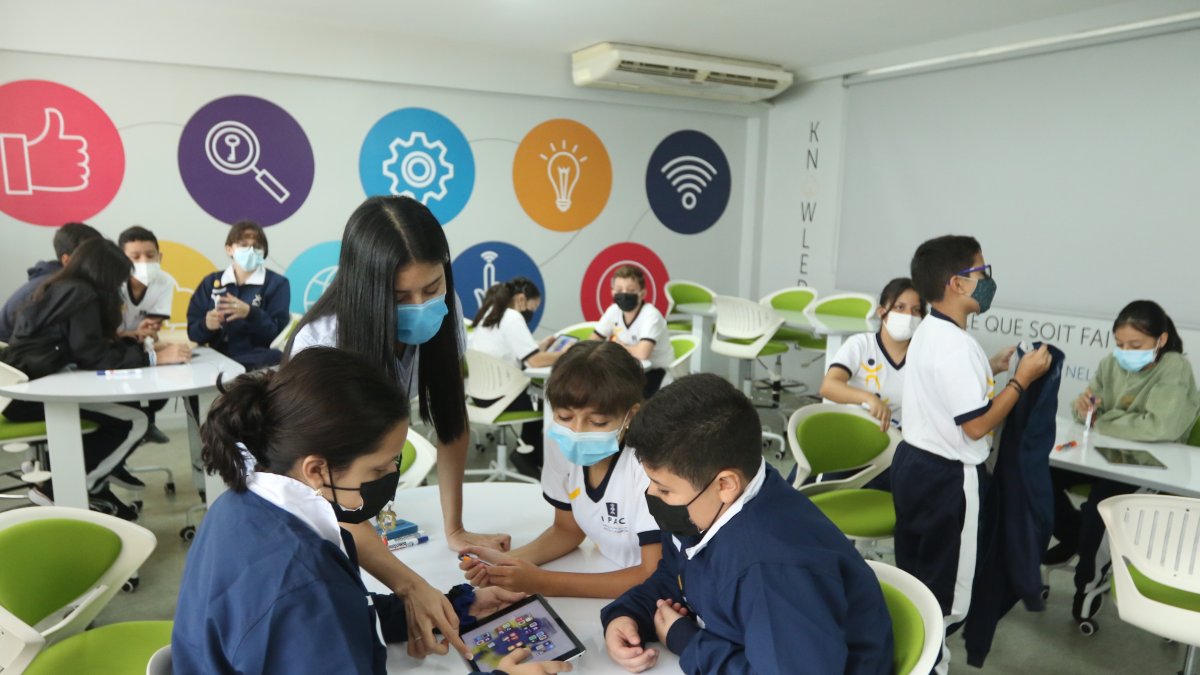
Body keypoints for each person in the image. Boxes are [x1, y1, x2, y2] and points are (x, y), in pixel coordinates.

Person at [172, 347, 568, 675]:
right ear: (315, 469)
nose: (390, 478)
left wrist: (460, 606)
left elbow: (337, 616)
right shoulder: (301, 584)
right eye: (378, 469)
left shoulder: (240, 506)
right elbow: (316, 612)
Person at [287, 195, 510, 657]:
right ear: (366, 290)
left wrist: (456, 528)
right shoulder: (324, 344)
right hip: (306, 509)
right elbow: (329, 487)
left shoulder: (442, 318)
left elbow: (450, 420)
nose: (422, 306)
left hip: (344, 493)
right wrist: (410, 586)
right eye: (400, 297)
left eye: (432, 287)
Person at [601, 374, 894, 674]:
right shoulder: (709, 509)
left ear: (725, 484)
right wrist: (628, 614)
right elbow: (676, 578)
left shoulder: (771, 569)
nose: (651, 495)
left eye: (664, 489)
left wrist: (688, 643)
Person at [895, 235, 1051, 674]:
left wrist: (995, 366)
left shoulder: (933, 331)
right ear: (957, 283)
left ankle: (912, 656)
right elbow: (978, 425)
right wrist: (1020, 379)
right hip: (950, 480)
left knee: (919, 578)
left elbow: (950, 389)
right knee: (947, 598)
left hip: (914, 466)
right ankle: (932, 664)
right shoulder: (956, 346)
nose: (989, 280)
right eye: (982, 272)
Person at [0, 239, 191, 519]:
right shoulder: (82, 294)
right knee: (134, 419)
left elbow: (78, 345)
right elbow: (93, 357)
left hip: (19, 394)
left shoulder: (60, 287)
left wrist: (125, 341)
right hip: (33, 398)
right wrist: (154, 358)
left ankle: (84, 487)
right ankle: (64, 490)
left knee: (123, 412)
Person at [460, 342, 662, 599]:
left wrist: (541, 582)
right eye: (565, 417)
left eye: (597, 422)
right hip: (606, 571)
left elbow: (651, 574)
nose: (577, 431)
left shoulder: (649, 465)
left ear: (630, 417)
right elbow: (567, 529)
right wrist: (504, 564)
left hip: (651, 594)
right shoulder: (558, 442)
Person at [1047, 300, 1200, 620]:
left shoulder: (1174, 367)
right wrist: (1084, 408)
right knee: (1039, 477)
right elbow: (1083, 411)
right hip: (1102, 457)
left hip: (1152, 466)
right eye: (1120, 344)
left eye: (1136, 345)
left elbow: (1160, 427)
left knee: (1101, 510)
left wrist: (1104, 418)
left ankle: (1086, 582)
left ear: (1160, 340)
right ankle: (1073, 535)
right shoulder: (1110, 364)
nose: (1126, 351)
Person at [467, 277, 564, 476]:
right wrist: (566, 352)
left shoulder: (491, 312)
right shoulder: (512, 317)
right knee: (551, 398)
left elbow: (513, 353)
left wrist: (541, 347)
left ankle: (530, 453)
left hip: (481, 396)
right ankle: (530, 455)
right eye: (533, 306)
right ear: (521, 299)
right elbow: (534, 362)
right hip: (504, 397)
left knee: (538, 395)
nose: (532, 312)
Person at [819, 277, 926, 432]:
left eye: (916, 310)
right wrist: (869, 398)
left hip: (901, 440)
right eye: (900, 307)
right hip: (856, 432)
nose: (909, 315)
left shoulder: (923, 355)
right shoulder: (861, 345)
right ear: (882, 312)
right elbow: (828, 387)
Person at [186, 220, 290, 370]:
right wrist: (206, 325)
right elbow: (193, 334)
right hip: (216, 357)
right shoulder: (211, 282)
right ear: (229, 249)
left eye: (257, 246)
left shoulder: (277, 284)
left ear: (264, 252)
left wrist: (250, 313)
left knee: (276, 357)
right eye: (244, 245)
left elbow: (277, 336)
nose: (251, 250)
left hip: (258, 359)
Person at [116, 225, 179, 445]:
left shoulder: (165, 282)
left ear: (160, 256)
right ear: (121, 259)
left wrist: (149, 331)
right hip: (111, 349)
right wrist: (132, 333)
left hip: (140, 344)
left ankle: (147, 421)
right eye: (135, 256)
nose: (143, 261)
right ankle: (132, 427)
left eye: (150, 255)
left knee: (172, 366)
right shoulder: (112, 284)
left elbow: (154, 323)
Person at [0, 221, 102, 342]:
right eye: (92, 255)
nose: (99, 261)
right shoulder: (59, 289)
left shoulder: (57, 281)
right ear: (66, 259)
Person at [590, 265, 672, 398]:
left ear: (643, 293)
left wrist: (617, 346)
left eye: (631, 290)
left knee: (626, 402)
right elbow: (594, 339)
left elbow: (642, 353)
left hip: (656, 371)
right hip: (627, 369)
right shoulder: (613, 311)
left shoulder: (651, 315)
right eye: (619, 290)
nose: (624, 294)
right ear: (612, 292)